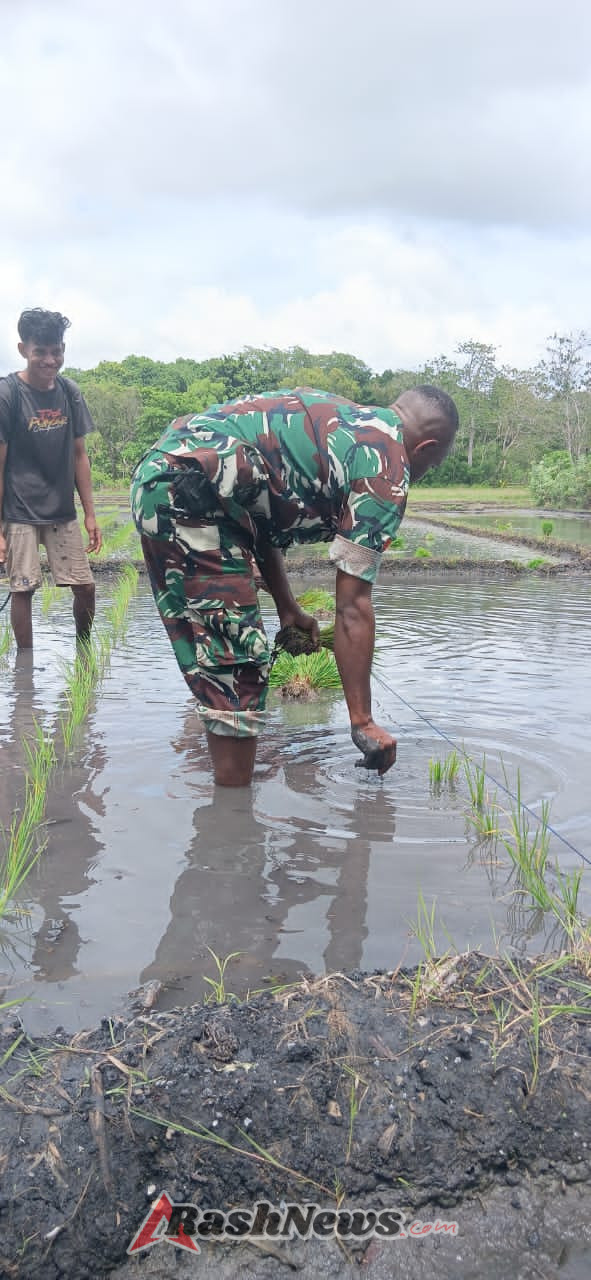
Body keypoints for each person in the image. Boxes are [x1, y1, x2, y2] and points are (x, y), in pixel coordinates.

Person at [130, 385, 458, 786]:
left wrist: (288, 608)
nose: (422, 473)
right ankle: (232, 815)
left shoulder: (339, 416)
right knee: (236, 668)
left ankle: (228, 802)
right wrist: (363, 721)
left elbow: (260, 518)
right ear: (426, 447)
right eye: (433, 465)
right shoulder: (385, 468)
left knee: (225, 662)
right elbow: (352, 607)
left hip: (170, 476)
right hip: (190, 492)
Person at [0, 308, 102, 649]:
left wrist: (90, 514)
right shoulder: (8, 394)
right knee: (23, 589)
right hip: (19, 510)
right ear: (23, 350)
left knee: (85, 587)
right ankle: (25, 667)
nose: (49, 360)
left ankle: (84, 652)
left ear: (63, 349)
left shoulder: (69, 392)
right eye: (40, 351)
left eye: (56, 351)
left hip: (61, 510)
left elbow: (79, 456)